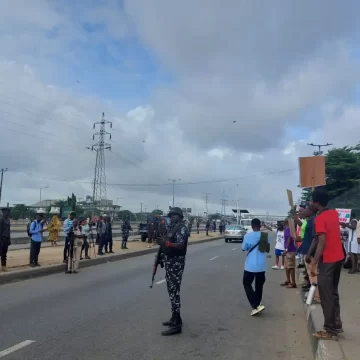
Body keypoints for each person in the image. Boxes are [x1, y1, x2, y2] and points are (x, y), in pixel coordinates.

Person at [310, 188, 344, 340]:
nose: (310, 203)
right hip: (339, 257)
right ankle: (337, 326)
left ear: (317, 202)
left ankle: (329, 330)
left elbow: (321, 242)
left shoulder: (319, 219)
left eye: (311, 200)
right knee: (334, 292)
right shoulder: (334, 213)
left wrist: (314, 262)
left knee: (326, 295)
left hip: (329, 260)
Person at [160, 207, 188, 336]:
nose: (171, 217)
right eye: (170, 215)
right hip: (169, 263)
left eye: (174, 215)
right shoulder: (172, 228)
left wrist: (168, 244)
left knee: (174, 291)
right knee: (171, 290)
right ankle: (175, 317)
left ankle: (177, 325)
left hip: (176, 264)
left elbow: (181, 244)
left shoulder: (182, 228)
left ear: (179, 216)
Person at [242, 218, 270, 316]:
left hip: (250, 265)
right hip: (261, 266)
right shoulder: (265, 235)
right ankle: (258, 305)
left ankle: (256, 305)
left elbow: (244, 248)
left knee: (246, 283)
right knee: (259, 286)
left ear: (251, 226)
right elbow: (267, 249)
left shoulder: (247, 236)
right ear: (260, 225)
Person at [299, 205, 320, 303]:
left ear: (311, 211)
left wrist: (308, 253)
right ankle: (315, 295)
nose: (305, 211)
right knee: (311, 275)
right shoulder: (309, 221)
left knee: (313, 275)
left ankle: (317, 297)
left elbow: (315, 239)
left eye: (307, 209)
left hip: (310, 253)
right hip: (308, 251)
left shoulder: (313, 221)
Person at [281, 219, 297, 288]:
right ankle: (288, 280)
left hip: (290, 250)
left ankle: (293, 283)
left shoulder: (288, 229)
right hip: (288, 250)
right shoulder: (289, 229)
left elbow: (289, 239)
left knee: (290, 267)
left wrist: (286, 249)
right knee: (287, 267)